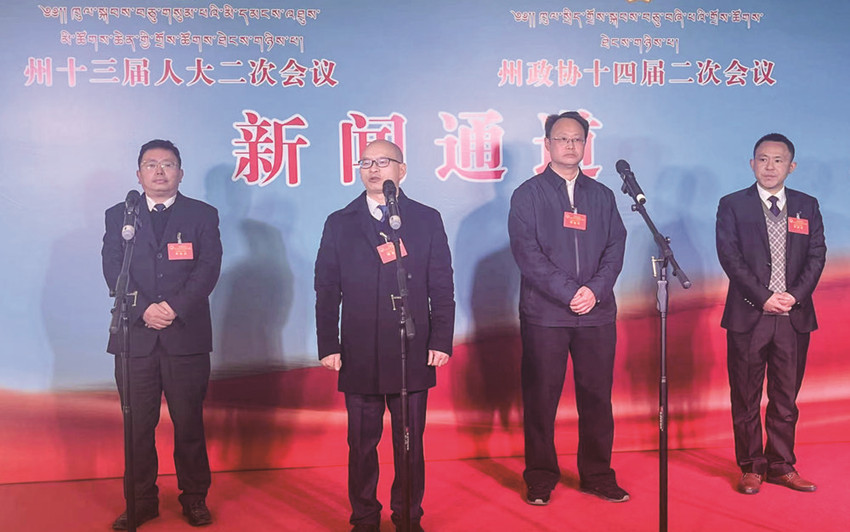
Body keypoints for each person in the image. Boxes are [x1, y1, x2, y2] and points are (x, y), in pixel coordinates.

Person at [315, 139, 455, 532]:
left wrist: (440, 339)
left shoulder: (425, 219)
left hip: (411, 348)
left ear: (402, 170)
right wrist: (328, 344)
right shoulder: (340, 222)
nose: (374, 169)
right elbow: (326, 288)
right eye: (366, 162)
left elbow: (441, 283)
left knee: (409, 445)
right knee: (361, 444)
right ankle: (364, 517)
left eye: (383, 161)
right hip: (358, 350)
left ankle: (408, 516)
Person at [508, 111, 628, 506]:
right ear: (547, 144)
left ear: (586, 143)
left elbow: (615, 247)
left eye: (577, 138)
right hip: (546, 315)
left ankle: (597, 475)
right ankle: (541, 476)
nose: (570, 145)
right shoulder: (528, 194)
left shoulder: (603, 195)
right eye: (562, 138)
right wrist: (570, 292)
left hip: (596, 313)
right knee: (541, 400)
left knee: (597, 398)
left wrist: (594, 291)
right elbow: (527, 253)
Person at [102, 139, 223, 528]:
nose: (159, 171)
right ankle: (140, 501)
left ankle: (194, 498)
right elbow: (112, 267)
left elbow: (208, 268)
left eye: (167, 164)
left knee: (189, 423)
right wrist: (143, 309)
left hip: (185, 335)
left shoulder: (202, 214)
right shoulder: (120, 215)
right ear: (138, 174)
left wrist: (173, 308)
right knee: (137, 426)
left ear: (180, 173)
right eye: (150, 164)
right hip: (135, 338)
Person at [716, 133, 825, 495]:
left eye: (778, 160)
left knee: (785, 397)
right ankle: (751, 466)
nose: (769, 166)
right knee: (745, 396)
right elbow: (729, 256)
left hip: (794, 316)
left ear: (791, 167)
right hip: (750, 314)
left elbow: (816, 255)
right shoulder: (733, 205)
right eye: (762, 159)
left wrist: (793, 296)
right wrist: (763, 297)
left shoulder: (807, 206)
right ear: (752, 164)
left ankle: (780, 464)